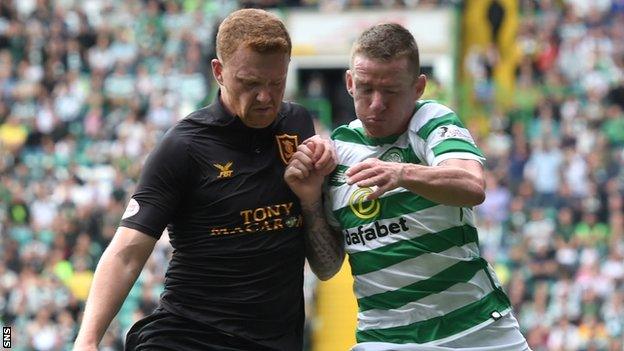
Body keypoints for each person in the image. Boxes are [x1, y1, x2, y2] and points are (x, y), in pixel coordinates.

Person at [74, 9, 337, 351]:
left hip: (274, 342)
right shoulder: (182, 146)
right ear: (219, 72)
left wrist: (311, 198)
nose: (265, 97)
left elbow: (328, 268)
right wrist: (87, 340)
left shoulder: (298, 124)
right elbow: (127, 252)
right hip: (186, 336)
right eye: (250, 83)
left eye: (276, 82)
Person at [285, 23, 531, 350]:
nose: (376, 104)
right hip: (386, 338)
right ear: (349, 82)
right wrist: (310, 201)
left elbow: (472, 184)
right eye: (365, 88)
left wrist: (401, 174)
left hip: (477, 329)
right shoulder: (335, 154)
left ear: (418, 88)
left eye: (391, 91)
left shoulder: (430, 121)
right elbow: (328, 267)